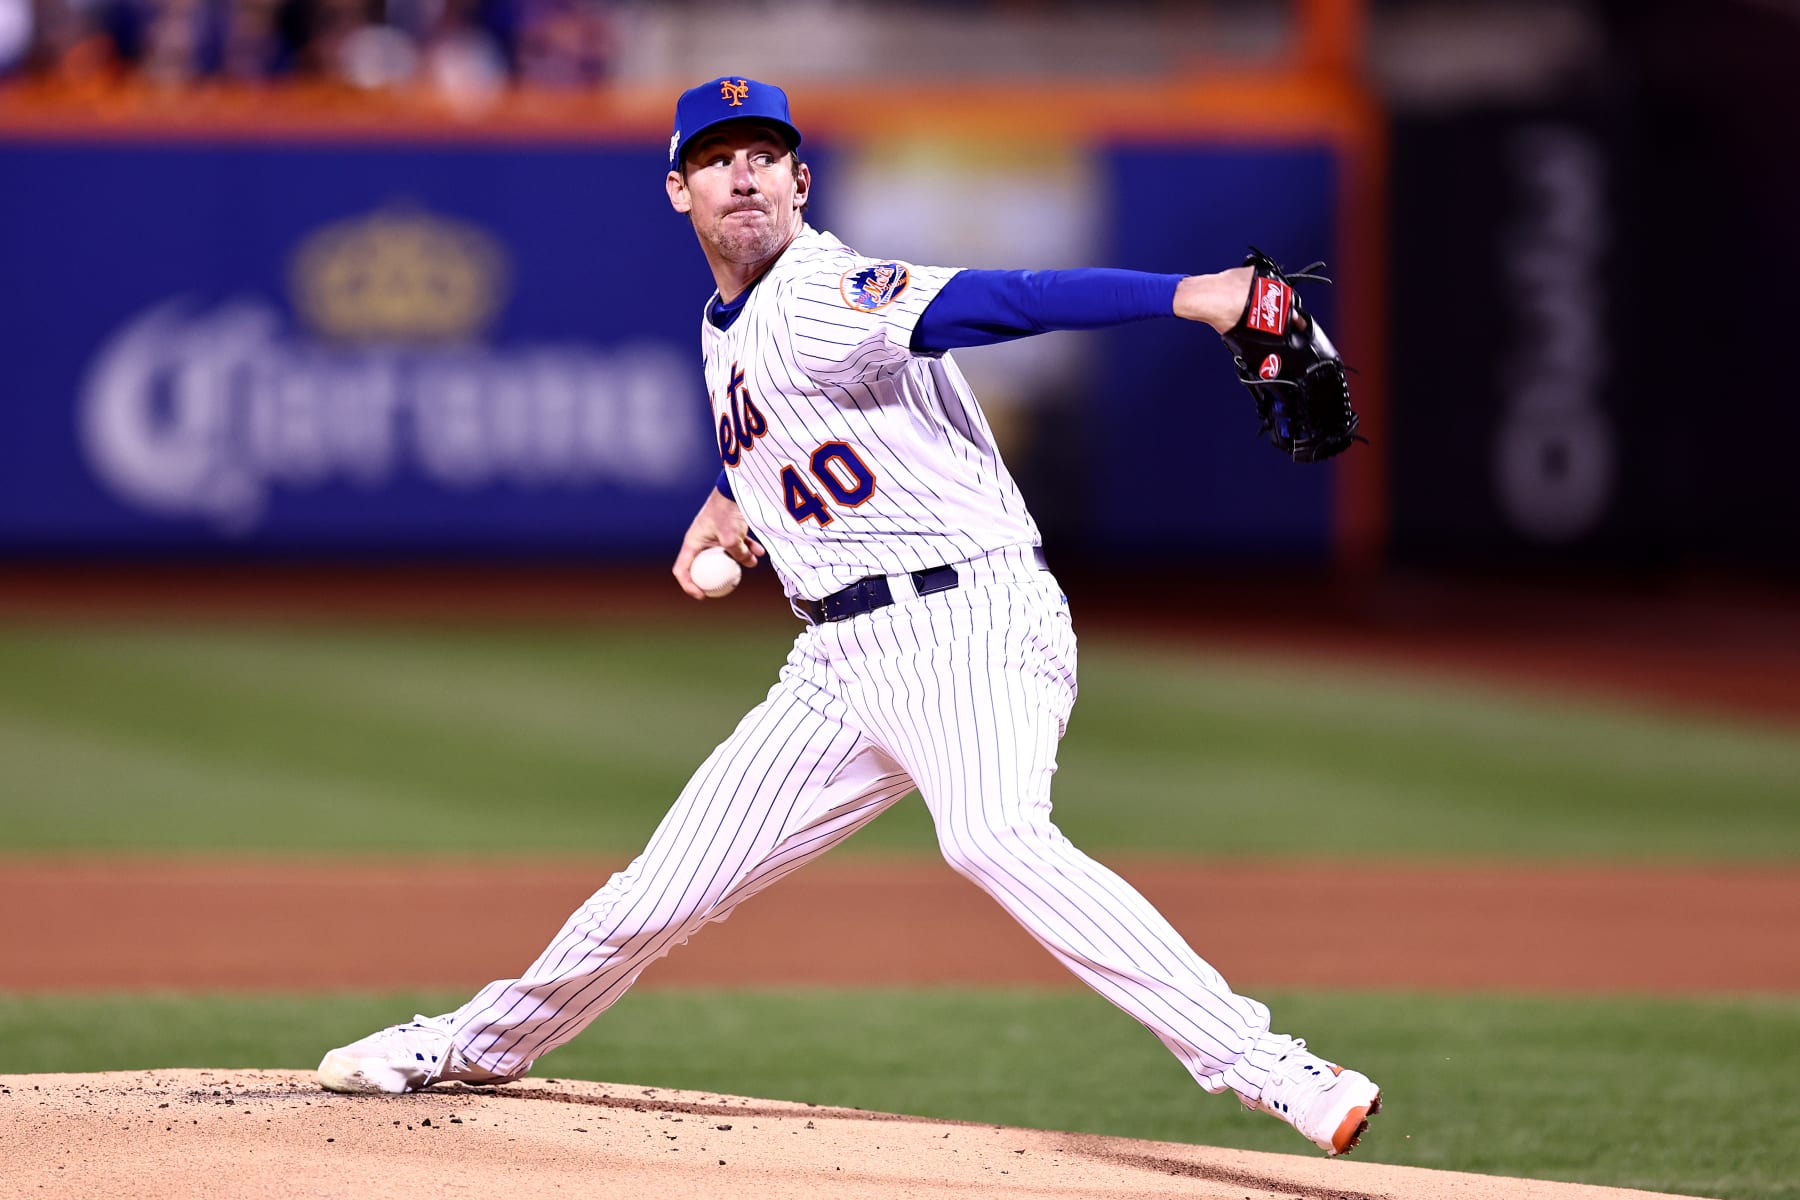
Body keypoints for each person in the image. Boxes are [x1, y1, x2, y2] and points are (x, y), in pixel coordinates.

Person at [317, 74, 1382, 1158]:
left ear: (798, 180)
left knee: (993, 835)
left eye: (765, 154)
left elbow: (1001, 297)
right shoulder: (724, 321)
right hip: (839, 654)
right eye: (720, 157)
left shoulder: (827, 289)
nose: (745, 173)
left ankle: (1270, 1068)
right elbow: (792, 426)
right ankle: (482, 1043)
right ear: (677, 189)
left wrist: (1199, 294)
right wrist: (733, 504)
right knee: (663, 888)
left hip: (968, 621)